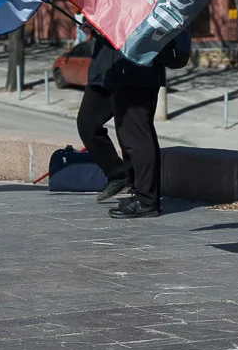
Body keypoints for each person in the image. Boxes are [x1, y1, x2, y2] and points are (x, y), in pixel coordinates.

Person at [78, 27, 191, 219]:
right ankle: (118, 174)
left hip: (136, 66)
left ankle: (147, 200)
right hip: (106, 64)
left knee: (134, 134)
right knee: (87, 123)